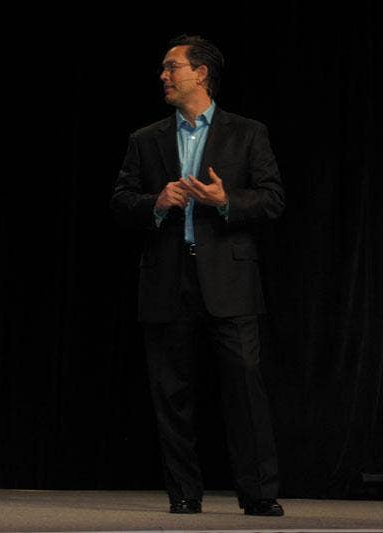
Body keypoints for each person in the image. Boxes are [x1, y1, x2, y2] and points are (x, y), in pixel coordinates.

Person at [110, 34, 285, 516]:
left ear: (201, 73)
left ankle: (259, 493)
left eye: (173, 67)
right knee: (172, 392)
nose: (163, 76)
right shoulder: (145, 139)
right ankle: (184, 493)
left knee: (245, 389)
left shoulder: (247, 132)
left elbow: (272, 198)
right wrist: (156, 202)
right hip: (167, 278)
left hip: (229, 280)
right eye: (165, 68)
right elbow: (121, 202)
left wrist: (225, 200)